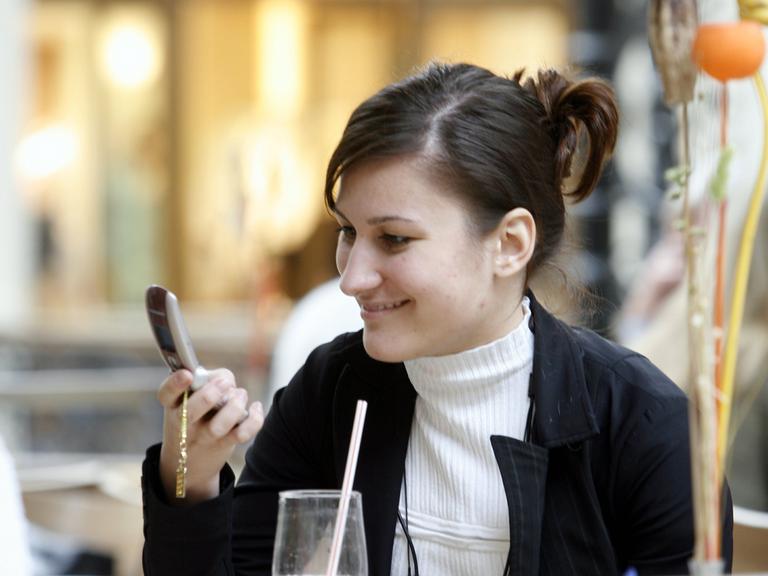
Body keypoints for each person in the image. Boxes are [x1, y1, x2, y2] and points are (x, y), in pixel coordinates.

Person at [141, 62, 733, 576]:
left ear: (509, 243)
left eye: (394, 239)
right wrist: (190, 474)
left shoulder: (642, 426)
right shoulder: (333, 392)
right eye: (349, 232)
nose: (350, 277)